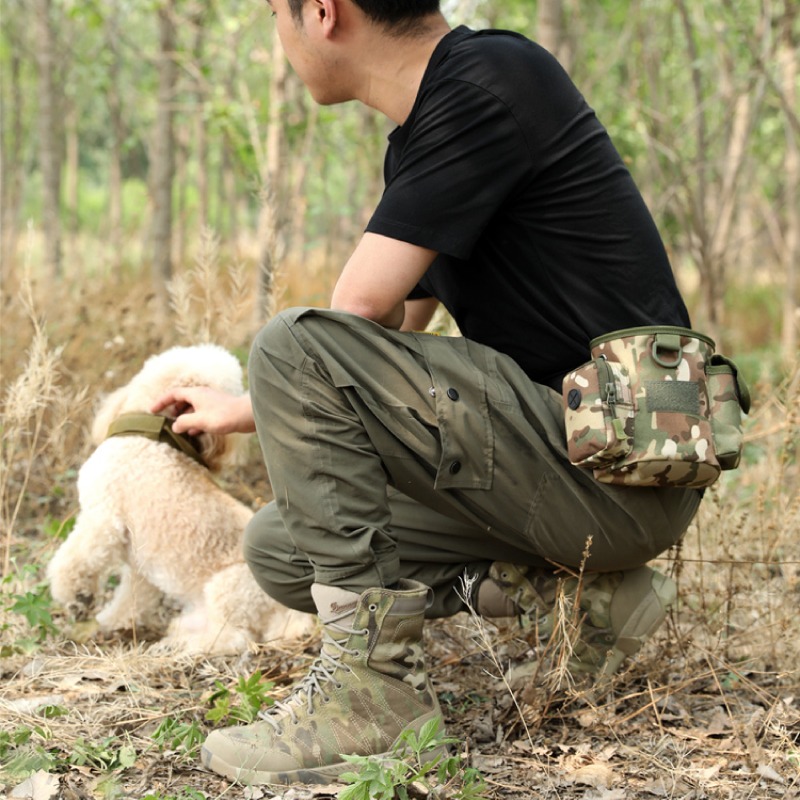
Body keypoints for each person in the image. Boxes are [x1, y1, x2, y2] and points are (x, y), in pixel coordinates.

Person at [153, 0, 702, 786]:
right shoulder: (434, 126)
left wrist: (280, 377)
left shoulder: (490, 81)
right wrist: (239, 411)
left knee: (294, 340)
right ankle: (583, 599)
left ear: (322, 12)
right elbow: (390, 338)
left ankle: (367, 694)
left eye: (275, 11)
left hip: (620, 465)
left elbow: (354, 319)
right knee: (283, 547)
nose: (277, 33)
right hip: (563, 472)